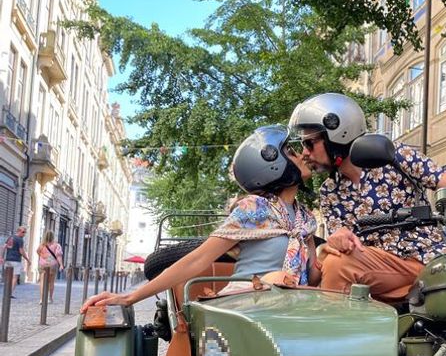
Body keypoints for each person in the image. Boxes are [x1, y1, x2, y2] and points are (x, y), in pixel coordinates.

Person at [289, 92, 446, 301]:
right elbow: (344, 241)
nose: (305, 153)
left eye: (309, 143)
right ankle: (336, 339)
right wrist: (337, 238)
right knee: (336, 263)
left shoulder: (394, 156)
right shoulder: (329, 192)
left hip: (432, 256)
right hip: (385, 271)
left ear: (338, 134)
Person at [80, 125, 319, 312]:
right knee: (277, 279)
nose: (301, 155)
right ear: (273, 163)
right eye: (291, 151)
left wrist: (334, 254)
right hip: (246, 305)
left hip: (291, 309)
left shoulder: (305, 219)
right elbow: (198, 259)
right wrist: (129, 297)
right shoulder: (254, 209)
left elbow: (313, 276)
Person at [0, 226, 31, 298]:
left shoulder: (10, 237)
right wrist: (27, 259)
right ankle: (9, 293)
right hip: (16, 261)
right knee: (15, 277)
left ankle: (7, 292)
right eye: (23, 232)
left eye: (25, 232)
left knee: (8, 277)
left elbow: (3, 247)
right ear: (19, 231)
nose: (24, 234)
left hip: (8, 260)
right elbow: (21, 251)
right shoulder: (20, 240)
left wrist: (1, 257)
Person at [36, 230, 64, 304]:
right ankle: (50, 298)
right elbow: (58, 256)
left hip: (43, 265)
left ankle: (41, 299)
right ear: (53, 237)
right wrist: (61, 265)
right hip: (52, 265)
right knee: (51, 282)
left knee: (42, 281)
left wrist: (43, 256)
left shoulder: (42, 245)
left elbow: (38, 251)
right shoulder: (57, 245)